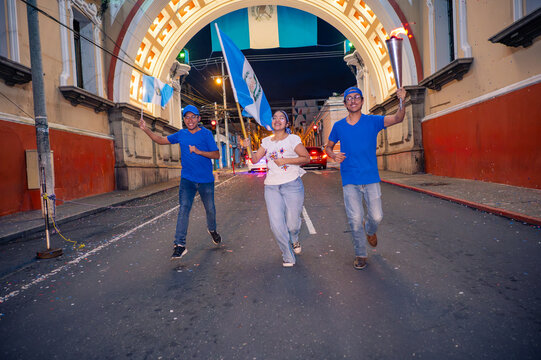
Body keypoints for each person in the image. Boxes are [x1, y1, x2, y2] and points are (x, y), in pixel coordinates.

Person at [325, 86, 406, 270]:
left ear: (362, 101)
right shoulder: (339, 126)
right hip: (349, 179)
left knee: (376, 216)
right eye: (349, 98)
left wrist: (402, 101)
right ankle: (360, 254)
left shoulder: (373, 121)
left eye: (356, 97)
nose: (353, 101)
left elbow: (398, 118)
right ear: (345, 104)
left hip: (370, 177)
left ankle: (370, 231)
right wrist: (332, 155)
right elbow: (328, 147)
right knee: (355, 219)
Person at [139, 105, 222, 260]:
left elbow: (217, 155)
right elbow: (160, 140)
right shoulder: (181, 134)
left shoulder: (206, 134)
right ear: (184, 120)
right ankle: (180, 245)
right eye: (186, 117)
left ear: (198, 119)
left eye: (193, 117)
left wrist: (199, 151)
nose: (190, 120)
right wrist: (145, 129)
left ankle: (212, 230)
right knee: (183, 209)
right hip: (187, 180)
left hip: (205, 181)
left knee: (210, 209)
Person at [251, 111, 310, 267]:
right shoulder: (266, 141)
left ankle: (294, 238)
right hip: (271, 187)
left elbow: (306, 158)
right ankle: (287, 255)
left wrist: (285, 160)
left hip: (292, 184)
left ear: (287, 123)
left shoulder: (293, 139)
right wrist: (247, 147)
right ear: (271, 123)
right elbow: (255, 159)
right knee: (276, 224)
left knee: (292, 224)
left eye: (281, 118)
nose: (277, 120)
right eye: (274, 118)